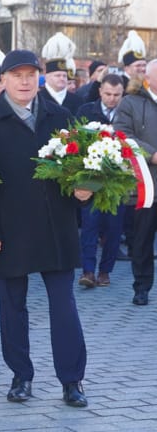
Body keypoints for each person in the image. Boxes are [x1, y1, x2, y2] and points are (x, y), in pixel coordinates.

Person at [0, 49, 89, 408]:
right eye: (15, 74)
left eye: (30, 74)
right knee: (12, 306)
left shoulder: (61, 116)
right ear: (1, 80)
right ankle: (21, 376)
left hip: (56, 226)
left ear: (39, 77)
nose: (23, 81)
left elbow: (79, 167)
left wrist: (84, 190)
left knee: (64, 306)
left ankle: (72, 380)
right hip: (8, 229)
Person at [114, 59, 157, 306]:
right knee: (141, 241)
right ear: (148, 80)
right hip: (146, 185)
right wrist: (151, 154)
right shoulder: (130, 103)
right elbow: (123, 135)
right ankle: (141, 287)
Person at [76, 74, 125, 288]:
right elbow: (76, 142)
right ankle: (88, 271)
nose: (112, 99)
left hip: (118, 177)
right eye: (108, 94)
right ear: (100, 92)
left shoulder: (126, 113)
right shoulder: (86, 111)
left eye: (117, 95)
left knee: (114, 227)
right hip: (92, 176)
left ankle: (105, 271)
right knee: (90, 224)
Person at [41, 32, 83, 115]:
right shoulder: (37, 99)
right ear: (47, 76)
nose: (62, 78)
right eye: (57, 75)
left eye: (64, 75)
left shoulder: (78, 101)